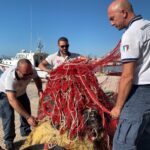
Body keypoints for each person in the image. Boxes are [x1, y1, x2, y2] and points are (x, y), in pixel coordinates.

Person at [107, 0, 150, 150]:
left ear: (124, 13)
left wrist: (118, 107)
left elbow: (128, 76)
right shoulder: (148, 25)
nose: (111, 24)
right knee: (144, 137)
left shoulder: (132, 33)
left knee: (122, 142)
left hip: (141, 91)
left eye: (112, 18)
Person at [0, 59, 43, 150]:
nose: (28, 77)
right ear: (17, 70)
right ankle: (9, 141)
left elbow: (37, 78)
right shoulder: (10, 78)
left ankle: (25, 131)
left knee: (26, 110)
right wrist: (28, 117)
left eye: (29, 74)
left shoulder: (31, 71)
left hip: (21, 92)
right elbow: (12, 100)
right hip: (5, 93)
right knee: (8, 116)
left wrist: (39, 89)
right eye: (25, 74)